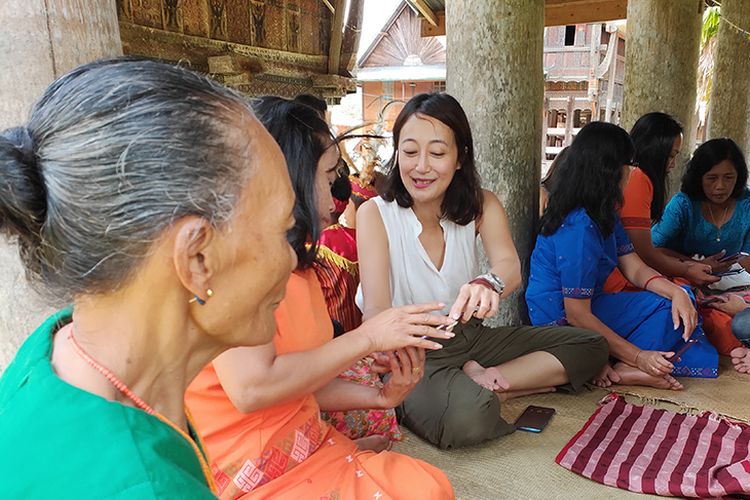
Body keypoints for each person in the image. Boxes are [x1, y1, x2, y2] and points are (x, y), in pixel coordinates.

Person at [0, 58, 298, 497]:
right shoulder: (147, 487)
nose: (291, 259)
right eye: (284, 230)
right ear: (197, 258)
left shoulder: (55, 348)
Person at [185, 97, 454, 499]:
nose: (334, 202)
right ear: (287, 177)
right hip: (250, 466)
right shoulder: (230, 265)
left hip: (305, 441)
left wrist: (381, 397)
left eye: (437, 153)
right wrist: (368, 338)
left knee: (428, 484)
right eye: (328, 180)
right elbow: (252, 388)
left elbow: (297, 382)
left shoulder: (299, 264)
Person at [356, 92, 609, 450]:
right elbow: (376, 310)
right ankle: (487, 389)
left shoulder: (481, 203)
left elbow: (509, 267)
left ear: (461, 156)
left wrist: (487, 282)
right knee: (468, 418)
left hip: (470, 337)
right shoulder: (374, 214)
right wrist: (393, 346)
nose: (421, 166)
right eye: (410, 152)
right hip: (411, 351)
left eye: (438, 153)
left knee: (592, 346)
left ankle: (489, 379)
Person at [526, 121, 719, 392]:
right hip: (560, 320)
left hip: (590, 305)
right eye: (630, 164)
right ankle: (627, 365)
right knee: (668, 315)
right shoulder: (578, 226)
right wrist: (641, 356)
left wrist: (676, 291)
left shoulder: (603, 210)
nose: (633, 171)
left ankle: (623, 364)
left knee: (679, 301)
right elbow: (576, 314)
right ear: (612, 169)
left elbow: (634, 268)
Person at [652, 137, 750, 372]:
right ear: (698, 177)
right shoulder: (683, 205)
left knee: (740, 321)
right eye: (711, 178)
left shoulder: (746, 203)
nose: (720, 187)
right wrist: (693, 265)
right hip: (686, 278)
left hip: (735, 281)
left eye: (729, 178)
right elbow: (651, 249)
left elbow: (747, 259)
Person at [604, 112, 716, 293]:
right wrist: (688, 269)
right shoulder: (639, 179)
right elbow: (644, 254)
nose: (673, 164)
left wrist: (690, 266)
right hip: (618, 277)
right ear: (656, 151)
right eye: (671, 156)